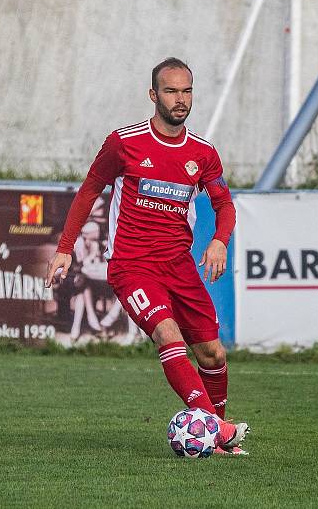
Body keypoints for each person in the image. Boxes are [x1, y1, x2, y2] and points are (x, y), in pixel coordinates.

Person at [44, 57, 249, 455]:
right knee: (167, 335)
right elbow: (89, 190)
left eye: (186, 91)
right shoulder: (124, 143)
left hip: (179, 266)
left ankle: (218, 437)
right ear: (153, 95)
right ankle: (218, 430)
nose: (180, 99)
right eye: (171, 91)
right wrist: (66, 248)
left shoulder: (203, 153)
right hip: (132, 266)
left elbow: (225, 206)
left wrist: (220, 240)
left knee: (213, 352)